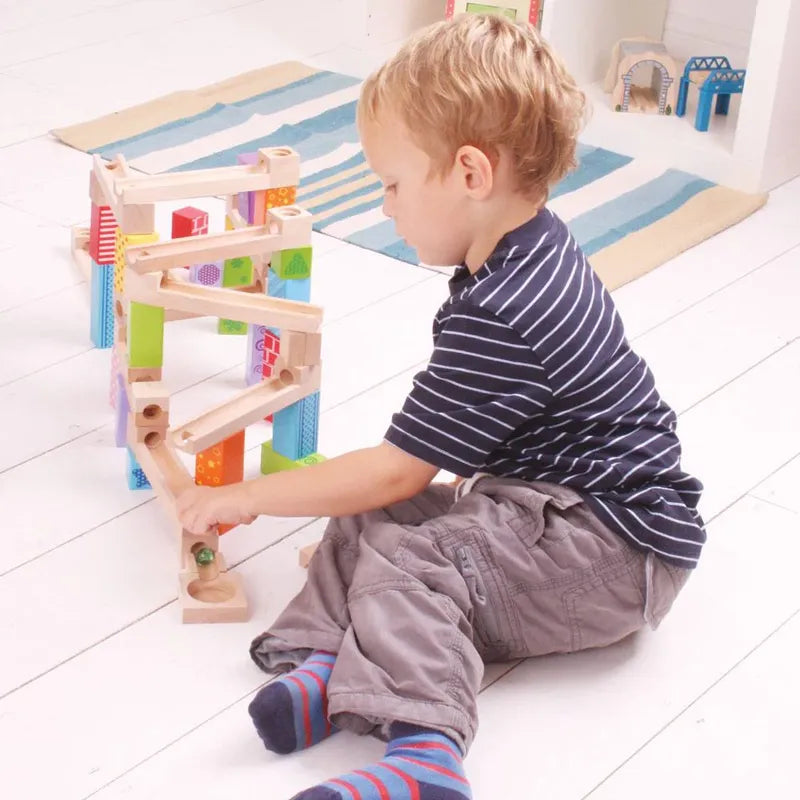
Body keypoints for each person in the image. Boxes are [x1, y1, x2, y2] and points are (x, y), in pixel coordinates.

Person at [176, 13, 705, 800]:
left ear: (469, 173)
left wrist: (245, 496)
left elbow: (396, 470)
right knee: (364, 526)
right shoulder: (523, 248)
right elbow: (387, 491)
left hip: (615, 550)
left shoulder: (508, 308)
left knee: (420, 557)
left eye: (392, 184)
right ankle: (330, 665)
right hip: (547, 509)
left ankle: (427, 753)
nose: (385, 205)